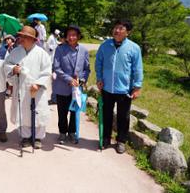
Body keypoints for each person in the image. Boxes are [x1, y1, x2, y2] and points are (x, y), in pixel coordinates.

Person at [95, 19, 143, 154]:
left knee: (123, 116)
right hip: (107, 88)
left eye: (121, 28)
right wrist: (99, 78)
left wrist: (137, 87)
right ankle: (105, 138)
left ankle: (121, 141)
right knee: (106, 114)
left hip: (124, 89)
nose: (117, 30)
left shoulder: (134, 48)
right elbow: (99, 62)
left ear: (128, 32)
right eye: (116, 27)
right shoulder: (105, 45)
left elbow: (137, 69)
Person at [4, 26, 52, 149]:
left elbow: (47, 71)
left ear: (33, 39)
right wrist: (13, 69)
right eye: (21, 36)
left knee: (38, 112)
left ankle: (37, 137)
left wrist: (39, 84)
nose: (22, 39)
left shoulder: (42, 53)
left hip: (37, 89)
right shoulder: (15, 52)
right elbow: (7, 65)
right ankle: (25, 137)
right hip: (21, 87)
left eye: (26, 37)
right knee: (23, 111)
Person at [53, 25, 90, 144]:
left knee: (75, 111)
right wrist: (69, 79)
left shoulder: (83, 50)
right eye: (69, 35)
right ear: (66, 36)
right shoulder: (60, 49)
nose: (72, 37)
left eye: (74, 35)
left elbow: (86, 69)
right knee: (62, 111)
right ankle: (62, 132)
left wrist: (82, 79)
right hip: (62, 86)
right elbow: (56, 67)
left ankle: (72, 132)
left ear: (78, 36)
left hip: (77, 88)